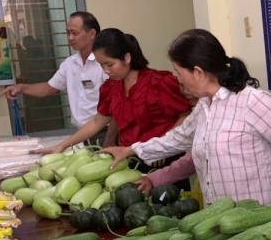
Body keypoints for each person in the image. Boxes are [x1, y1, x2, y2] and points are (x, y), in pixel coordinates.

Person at [102, 29, 271, 221]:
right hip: (222, 220)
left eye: (178, 72)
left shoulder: (252, 101)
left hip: (261, 220)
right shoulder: (205, 105)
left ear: (199, 72)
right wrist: (131, 149)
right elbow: (178, 138)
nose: (179, 81)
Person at [35, 29, 192, 155]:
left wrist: (159, 145)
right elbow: (97, 122)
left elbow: (186, 114)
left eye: (110, 64)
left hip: (162, 158)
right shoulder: (111, 87)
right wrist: (62, 146)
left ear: (127, 58)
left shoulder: (158, 82)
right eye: (101, 65)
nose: (106, 70)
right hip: (126, 156)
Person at [1, 12, 108, 142]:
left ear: (92, 34)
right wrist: (21, 88)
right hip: (82, 133)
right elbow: (48, 88)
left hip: (105, 132)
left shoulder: (105, 65)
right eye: (68, 33)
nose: (70, 38)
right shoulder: (70, 64)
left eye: (75, 33)